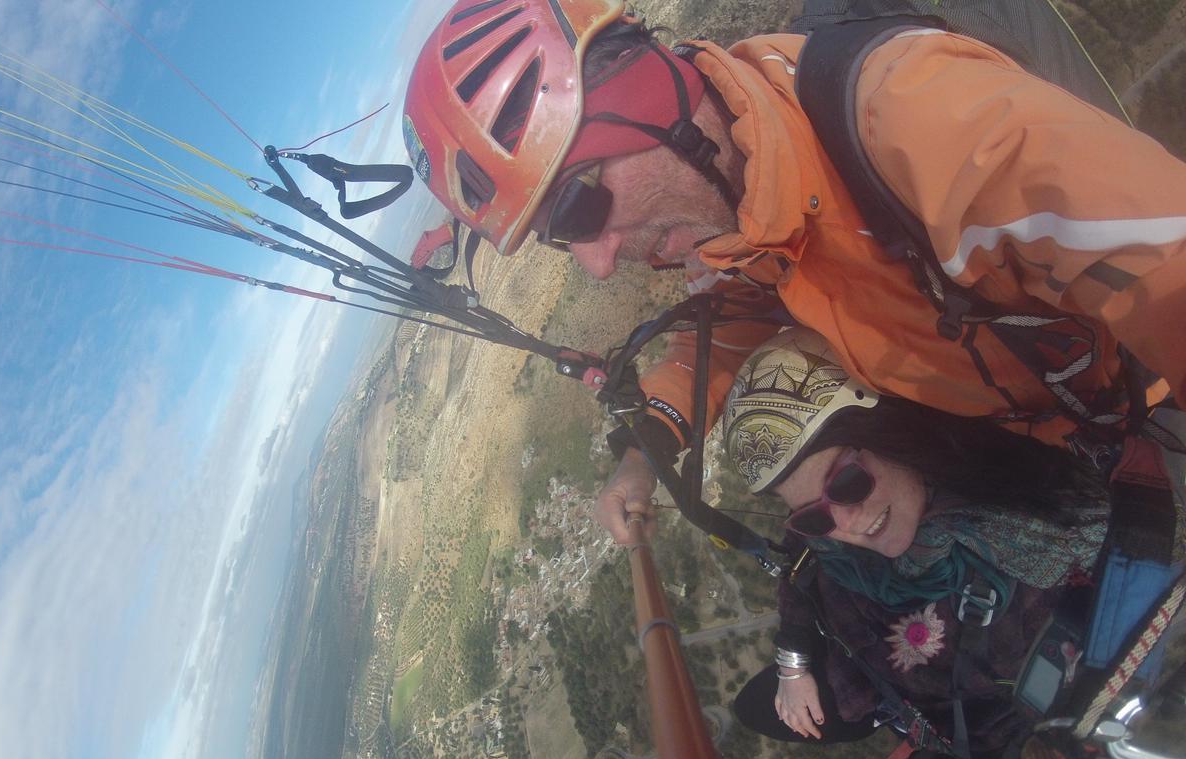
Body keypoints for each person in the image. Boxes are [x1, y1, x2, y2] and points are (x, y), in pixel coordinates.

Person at [402, 0, 1186, 545]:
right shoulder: (745, 211)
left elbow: (1167, 267)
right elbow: (732, 324)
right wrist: (647, 450)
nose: (597, 265)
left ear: (651, 102)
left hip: (1144, 396)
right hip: (1063, 440)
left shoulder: (921, 121)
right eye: (557, 242)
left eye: (575, 210)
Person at [720, 327, 1156, 759]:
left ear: (893, 434)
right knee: (757, 705)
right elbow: (804, 559)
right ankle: (892, 715)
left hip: (993, 746)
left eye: (847, 483)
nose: (845, 526)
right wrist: (795, 658)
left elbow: (1103, 721)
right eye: (815, 515)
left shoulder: (1048, 536)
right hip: (903, 690)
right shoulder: (840, 535)